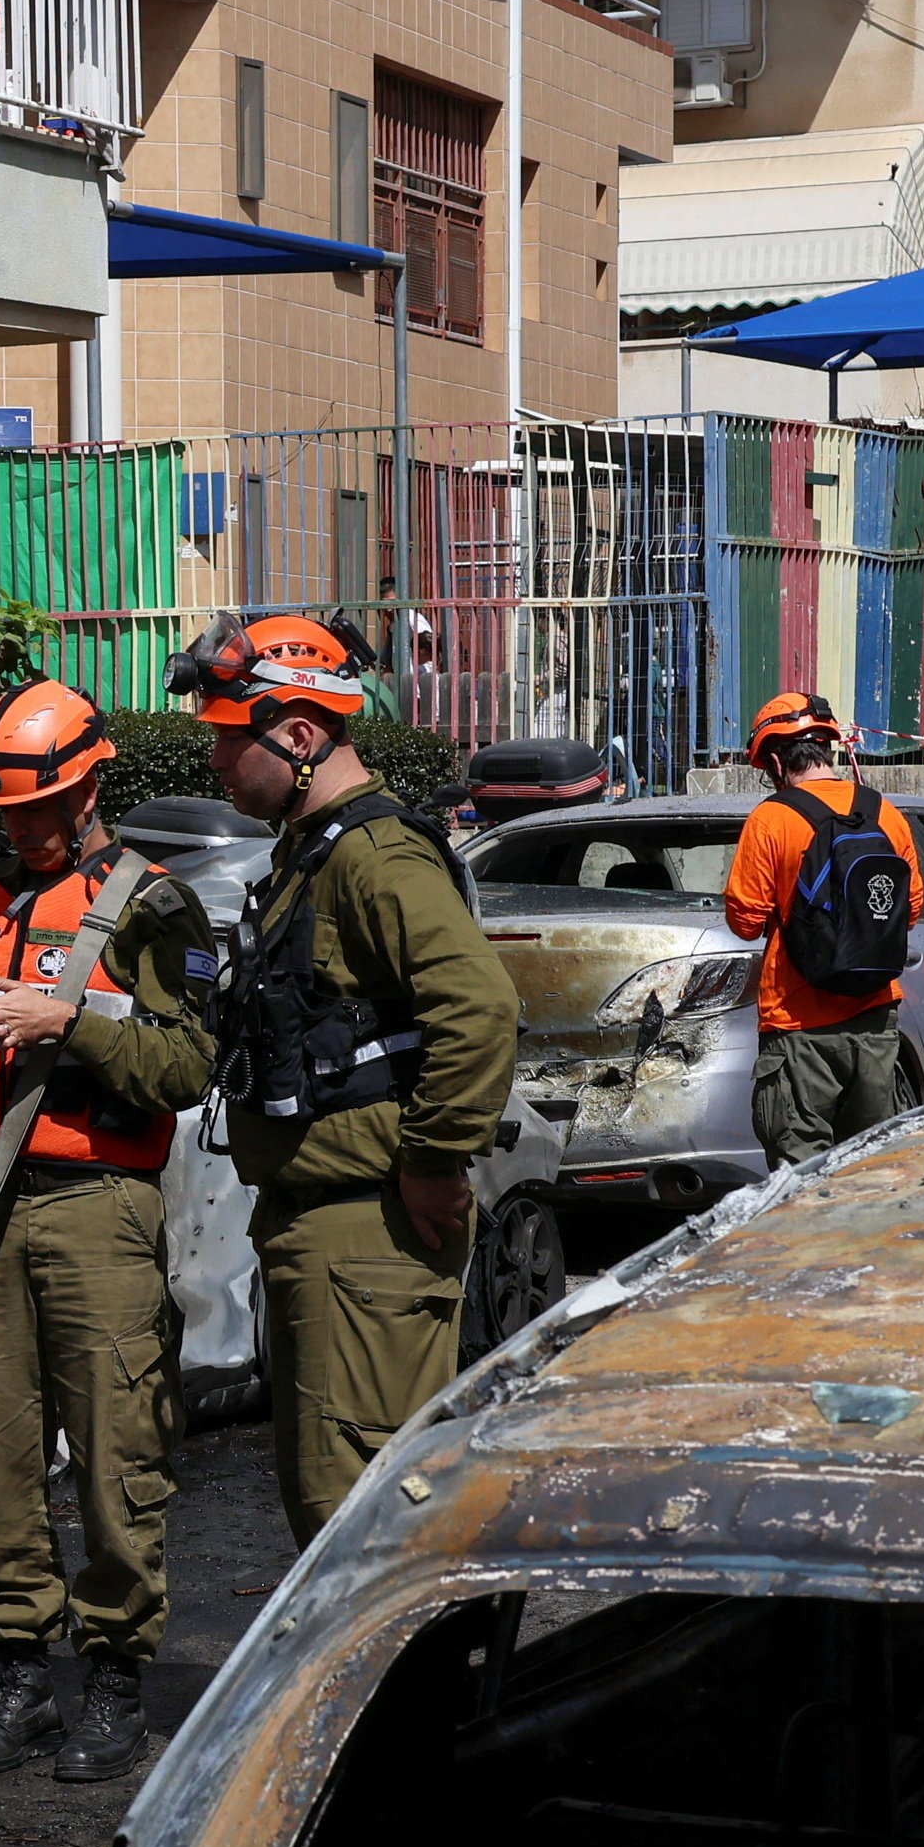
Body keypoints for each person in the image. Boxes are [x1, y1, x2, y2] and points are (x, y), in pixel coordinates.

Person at [0, 678, 215, 1784]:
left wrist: (64, 1020)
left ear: (88, 788)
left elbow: (187, 1065)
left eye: (40, 808)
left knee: (117, 1448)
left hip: (97, 1210)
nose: (20, 830)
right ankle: (18, 1671)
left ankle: (111, 1678)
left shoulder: (156, 906)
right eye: (7, 812)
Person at [201, 615, 518, 1545]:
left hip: (368, 1228)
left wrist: (432, 1162)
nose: (216, 759)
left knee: (363, 1522)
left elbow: (480, 1009)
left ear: (299, 735)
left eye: (230, 733)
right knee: (328, 1507)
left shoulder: (374, 857)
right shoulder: (312, 855)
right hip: (319, 1223)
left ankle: (408, 1697)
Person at [720, 690, 924, 1164]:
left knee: (801, 1177)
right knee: (873, 1168)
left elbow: (745, 922)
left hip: (797, 1025)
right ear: (827, 747)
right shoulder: (885, 813)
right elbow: (910, 910)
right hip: (875, 1019)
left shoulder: (771, 819)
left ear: (776, 760)